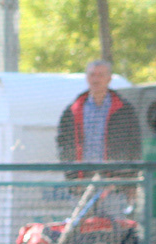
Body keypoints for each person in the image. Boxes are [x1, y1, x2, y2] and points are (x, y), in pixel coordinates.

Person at [56, 59, 142, 218]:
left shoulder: (124, 110)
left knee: (113, 232)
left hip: (113, 187)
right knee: (81, 233)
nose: (96, 79)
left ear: (109, 78)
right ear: (87, 78)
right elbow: (63, 145)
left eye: (100, 75)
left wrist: (125, 180)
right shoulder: (72, 110)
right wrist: (72, 178)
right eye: (92, 75)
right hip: (81, 186)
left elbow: (134, 147)